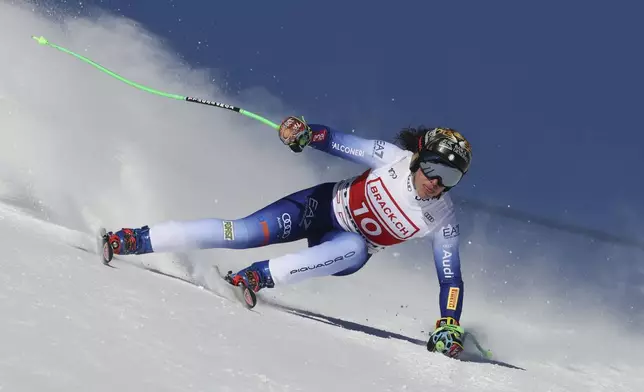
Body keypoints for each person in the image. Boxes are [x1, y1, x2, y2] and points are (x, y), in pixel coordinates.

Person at [103, 115, 472, 358]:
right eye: (434, 168)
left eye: (450, 178)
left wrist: (449, 324)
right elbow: (339, 142)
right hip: (319, 207)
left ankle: (256, 277)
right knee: (241, 232)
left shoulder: (441, 218)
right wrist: (305, 134)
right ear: (418, 157)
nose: (437, 182)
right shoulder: (392, 158)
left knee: (355, 247)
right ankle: (136, 239)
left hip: (341, 248)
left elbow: (450, 279)